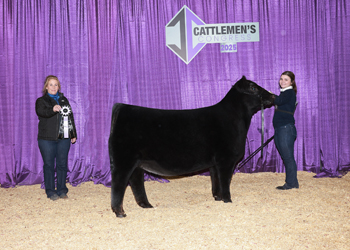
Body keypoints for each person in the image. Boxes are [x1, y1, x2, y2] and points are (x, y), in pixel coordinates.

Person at [35, 75, 77, 200]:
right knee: (48, 165)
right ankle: (50, 191)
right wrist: (52, 109)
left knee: (62, 164)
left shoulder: (64, 100)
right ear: (46, 87)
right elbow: (42, 112)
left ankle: (62, 190)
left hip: (64, 138)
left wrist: (73, 134)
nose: (53, 87)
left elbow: (70, 118)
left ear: (58, 87)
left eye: (56, 84)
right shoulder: (41, 101)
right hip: (46, 139)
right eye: (51, 84)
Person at [272, 71, 298, 190]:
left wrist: (269, 95)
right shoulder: (284, 93)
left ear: (291, 82)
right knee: (286, 157)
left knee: (288, 157)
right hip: (281, 128)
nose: (282, 81)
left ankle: (291, 184)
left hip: (286, 128)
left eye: (286, 79)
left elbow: (279, 101)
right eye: (281, 79)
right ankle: (293, 182)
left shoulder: (289, 92)